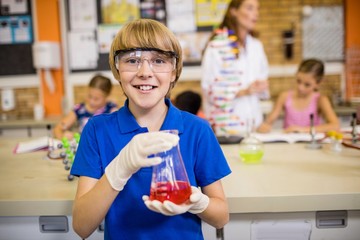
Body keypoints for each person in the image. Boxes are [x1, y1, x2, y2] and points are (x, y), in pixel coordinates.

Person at [70, 19, 231, 240]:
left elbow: (221, 217)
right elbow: (81, 226)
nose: (145, 72)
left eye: (158, 60)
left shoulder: (198, 130)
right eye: (132, 60)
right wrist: (119, 168)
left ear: (174, 72)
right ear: (117, 71)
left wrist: (197, 201)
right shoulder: (97, 130)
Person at [201, 0, 269, 136]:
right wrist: (245, 91)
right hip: (227, 128)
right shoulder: (217, 45)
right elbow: (210, 91)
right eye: (250, 8)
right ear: (234, 11)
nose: (255, 13)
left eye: (257, 9)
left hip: (255, 126)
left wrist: (262, 87)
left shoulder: (256, 46)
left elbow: (264, 89)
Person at [257, 58, 340, 133]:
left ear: (318, 83)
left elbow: (335, 126)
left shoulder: (320, 100)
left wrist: (302, 130)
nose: (300, 88)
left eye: (307, 85)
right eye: (298, 81)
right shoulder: (284, 96)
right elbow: (269, 121)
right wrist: (265, 125)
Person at [53, 74, 118, 140]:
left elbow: (117, 132)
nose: (91, 102)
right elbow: (58, 129)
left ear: (107, 96)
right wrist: (63, 136)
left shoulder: (111, 109)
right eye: (89, 96)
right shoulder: (79, 109)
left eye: (96, 99)